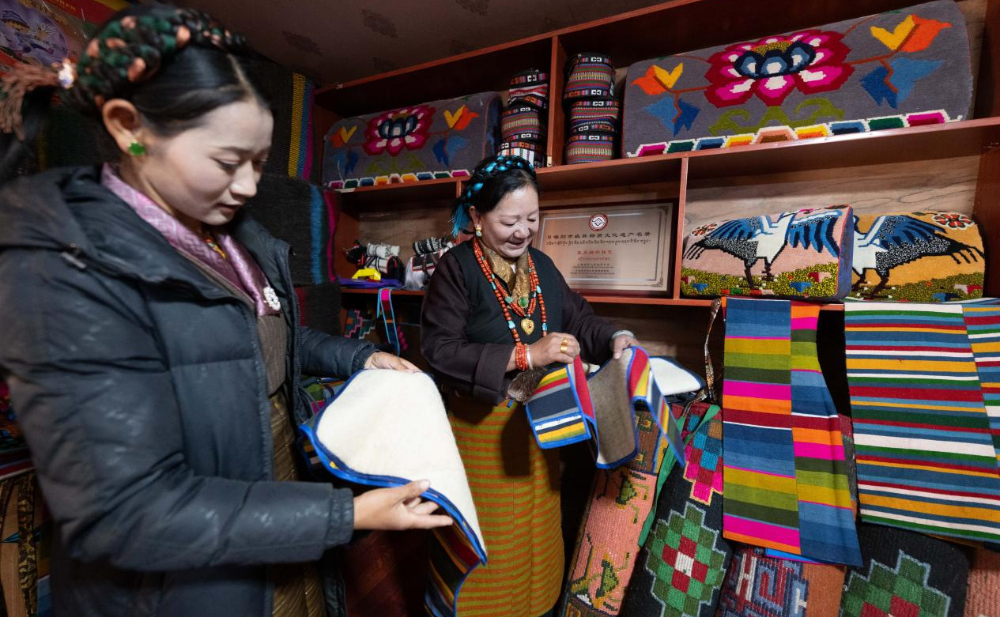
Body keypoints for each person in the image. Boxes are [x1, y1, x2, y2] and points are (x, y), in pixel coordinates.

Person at [0, 6, 452, 617]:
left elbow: (263, 337)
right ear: (130, 128)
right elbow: (130, 514)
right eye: (226, 161)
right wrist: (345, 515)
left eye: (258, 163)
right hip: (178, 574)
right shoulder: (73, 272)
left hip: (274, 491)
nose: (247, 186)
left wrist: (359, 356)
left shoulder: (234, 238)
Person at [420, 154, 636, 617]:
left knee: (537, 537)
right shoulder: (456, 269)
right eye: (509, 221)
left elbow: (579, 319)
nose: (523, 231)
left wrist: (614, 338)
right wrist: (527, 355)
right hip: (481, 438)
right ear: (477, 217)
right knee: (490, 545)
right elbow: (440, 350)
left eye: (532, 218)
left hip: (541, 428)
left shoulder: (541, 265)